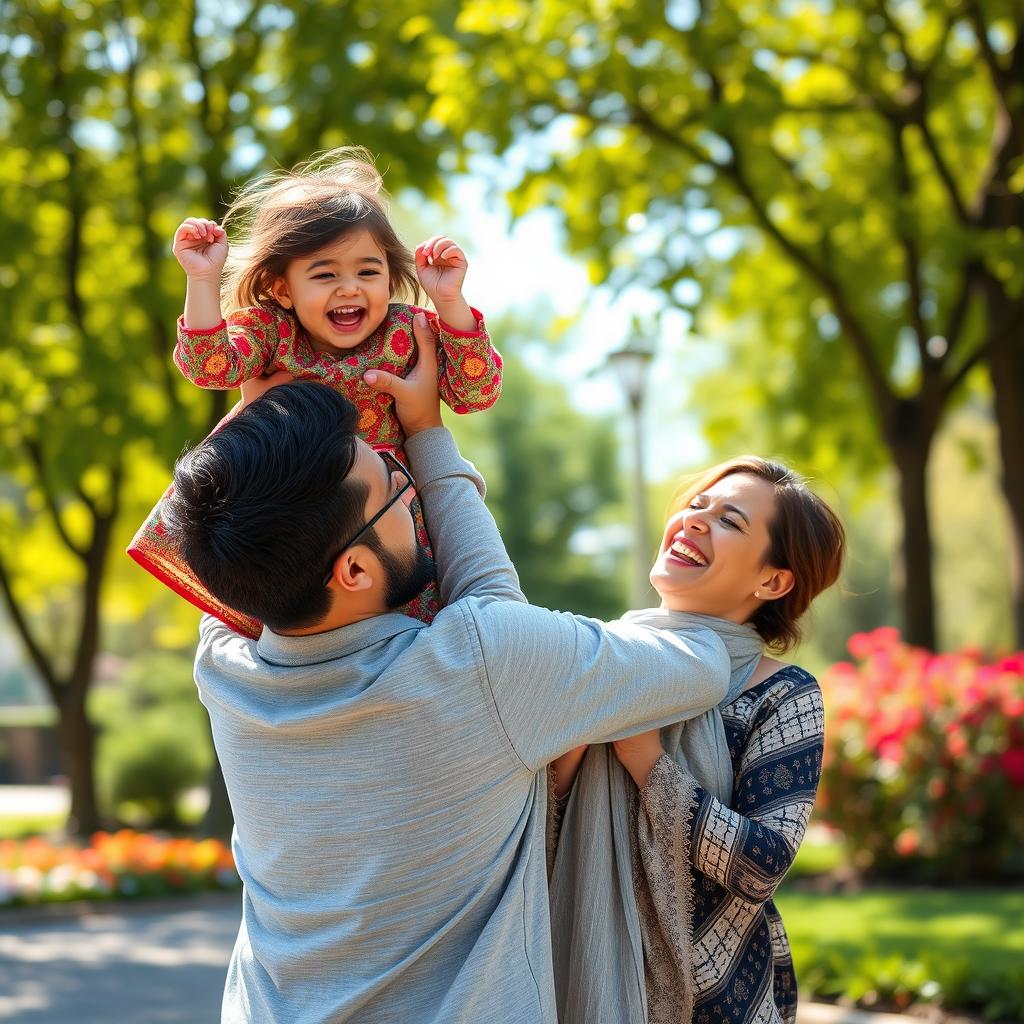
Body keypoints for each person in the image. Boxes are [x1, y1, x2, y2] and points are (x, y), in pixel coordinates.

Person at [159, 313, 745, 1023]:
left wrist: (260, 396)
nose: (414, 489)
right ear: (351, 568)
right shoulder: (481, 663)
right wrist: (428, 429)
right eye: (397, 488)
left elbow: (198, 536)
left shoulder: (225, 670)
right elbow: (700, 665)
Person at [129, 146, 501, 637]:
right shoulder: (271, 332)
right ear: (282, 289)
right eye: (325, 274)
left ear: (391, 276)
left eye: (368, 272)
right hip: (288, 498)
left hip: (379, 497)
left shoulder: (408, 330)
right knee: (281, 598)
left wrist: (450, 301)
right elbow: (211, 366)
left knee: (398, 620)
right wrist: (202, 279)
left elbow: (476, 391)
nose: (350, 288)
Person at [548, 458, 846, 1024]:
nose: (694, 519)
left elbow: (762, 866)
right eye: (695, 505)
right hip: (576, 982)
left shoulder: (782, 694)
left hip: (716, 1002)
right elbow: (529, 831)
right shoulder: (605, 661)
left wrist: (648, 762)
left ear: (773, 580)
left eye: (729, 520)